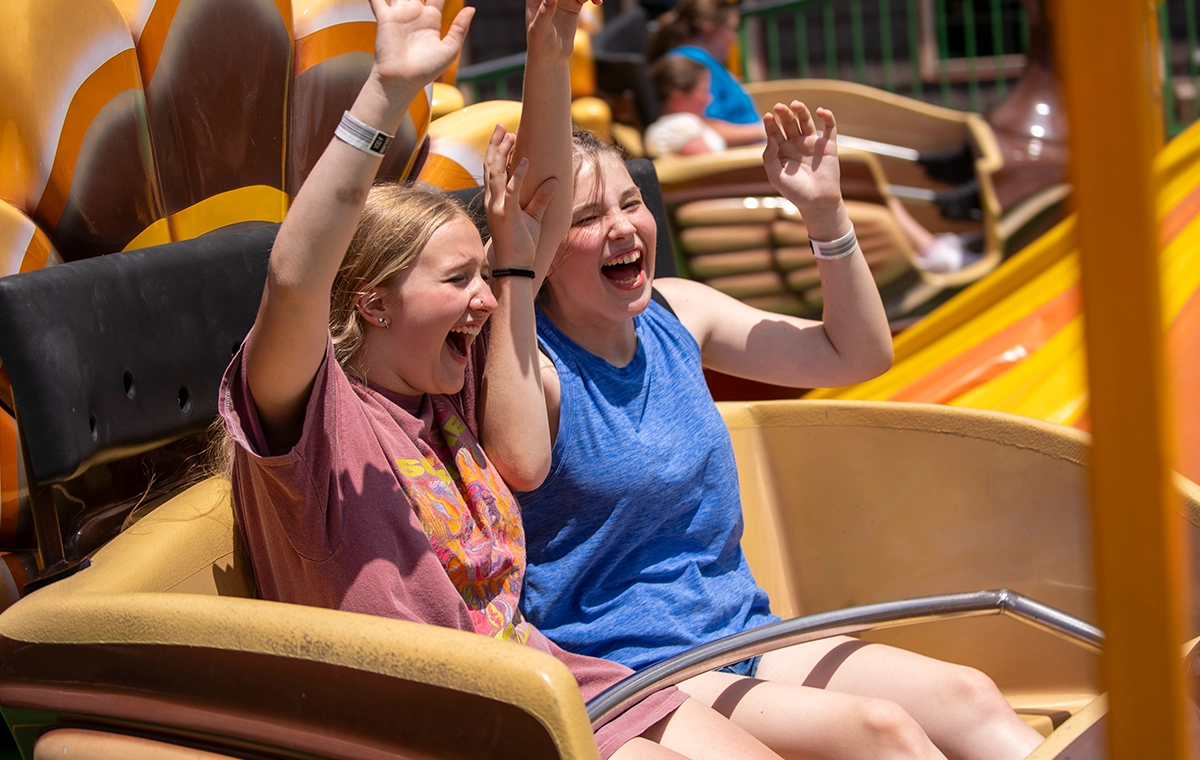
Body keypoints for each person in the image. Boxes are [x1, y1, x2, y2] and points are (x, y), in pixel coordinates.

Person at [218, 0, 793, 758]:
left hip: (545, 678)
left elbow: (544, 216)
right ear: (373, 303)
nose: (486, 299)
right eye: (459, 279)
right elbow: (295, 279)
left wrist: (548, 48)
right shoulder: (316, 421)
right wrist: (385, 93)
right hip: (446, 720)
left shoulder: (449, 389)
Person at [511, 99, 1046, 760]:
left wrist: (824, 212)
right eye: (589, 218)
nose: (622, 227)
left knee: (969, 694)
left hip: (742, 633)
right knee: (883, 733)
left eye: (630, 202)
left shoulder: (682, 312)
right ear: (537, 247)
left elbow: (855, 355)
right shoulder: (531, 372)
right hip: (634, 671)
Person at [645, 0, 765, 148]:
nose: (735, 37)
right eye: (731, 29)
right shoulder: (693, 63)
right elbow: (704, 125)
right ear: (710, 30)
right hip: (740, 160)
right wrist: (764, 131)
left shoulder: (700, 60)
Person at [644, 56, 726, 156]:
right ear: (677, 99)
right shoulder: (680, 125)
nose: (709, 98)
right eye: (704, 91)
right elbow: (711, 165)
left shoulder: (667, 125)